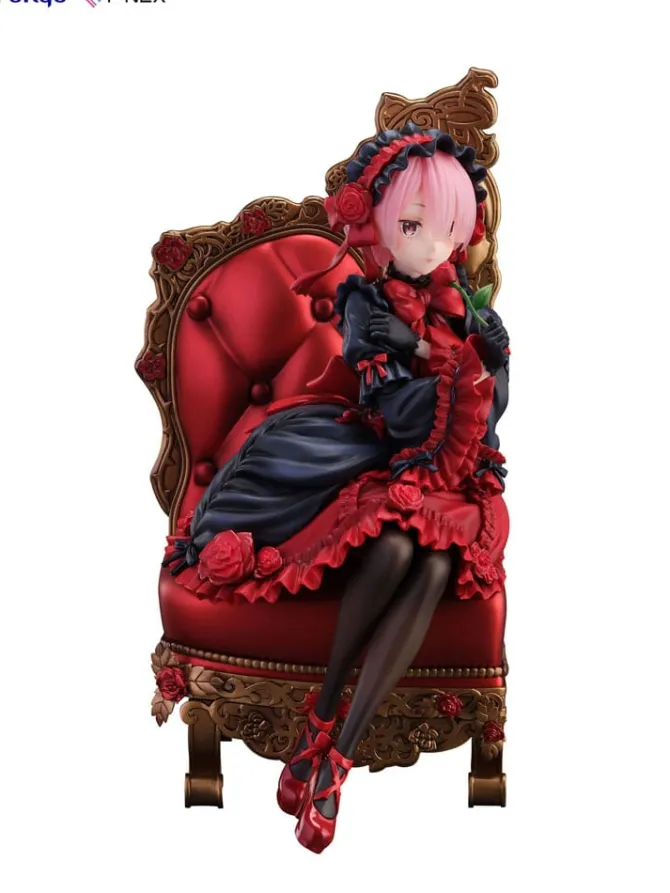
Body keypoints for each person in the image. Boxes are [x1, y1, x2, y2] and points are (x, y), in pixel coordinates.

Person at [163, 123, 510, 853]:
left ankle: (329, 758)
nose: (430, 244)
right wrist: (447, 367)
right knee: (395, 552)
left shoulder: (473, 310)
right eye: (412, 226)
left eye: (447, 227)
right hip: (372, 454)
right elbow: (394, 409)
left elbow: (491, 411)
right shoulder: (366, 304)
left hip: (451, 477)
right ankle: (324, 721)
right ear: (377, 222)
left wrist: (473, 369)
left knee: (436, 563)